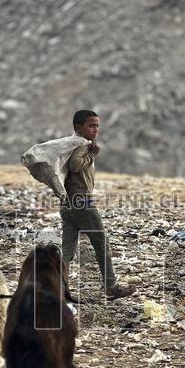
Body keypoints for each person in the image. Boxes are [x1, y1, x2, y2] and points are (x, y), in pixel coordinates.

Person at [60, 109, 135, 301]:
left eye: (97, 126)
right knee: (102, 244)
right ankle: (111, 286)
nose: (95, 130)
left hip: (67, 204)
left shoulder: (69, 144)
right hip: (82, 203)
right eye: (91, 125)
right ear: (78, 127)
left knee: (67, 250)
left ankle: (58, 289)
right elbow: (76, 166)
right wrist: (92, 154)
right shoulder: (82, 145)